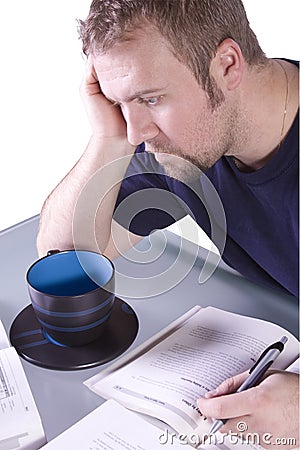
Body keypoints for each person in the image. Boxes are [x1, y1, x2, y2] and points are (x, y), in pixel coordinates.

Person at [36, 0, 299, 447]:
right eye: (121, 104)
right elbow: (67, 258)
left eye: (150, 98)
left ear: (227, 66)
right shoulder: (182, 151)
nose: (137, 130)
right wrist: (109, 138)